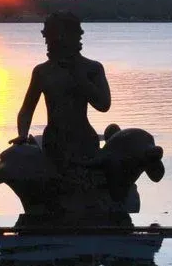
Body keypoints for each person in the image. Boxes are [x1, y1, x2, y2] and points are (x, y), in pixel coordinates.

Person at [14, 12, 111, 169]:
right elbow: (27, 109)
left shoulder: (92, 68)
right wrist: (22, 135)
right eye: (46, 38)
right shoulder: (41, 71)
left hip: (83, 141)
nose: (46, 42)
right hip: (54, 143)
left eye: (49, 37)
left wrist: (80, 78)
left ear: (66, 37)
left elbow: (104, 105)